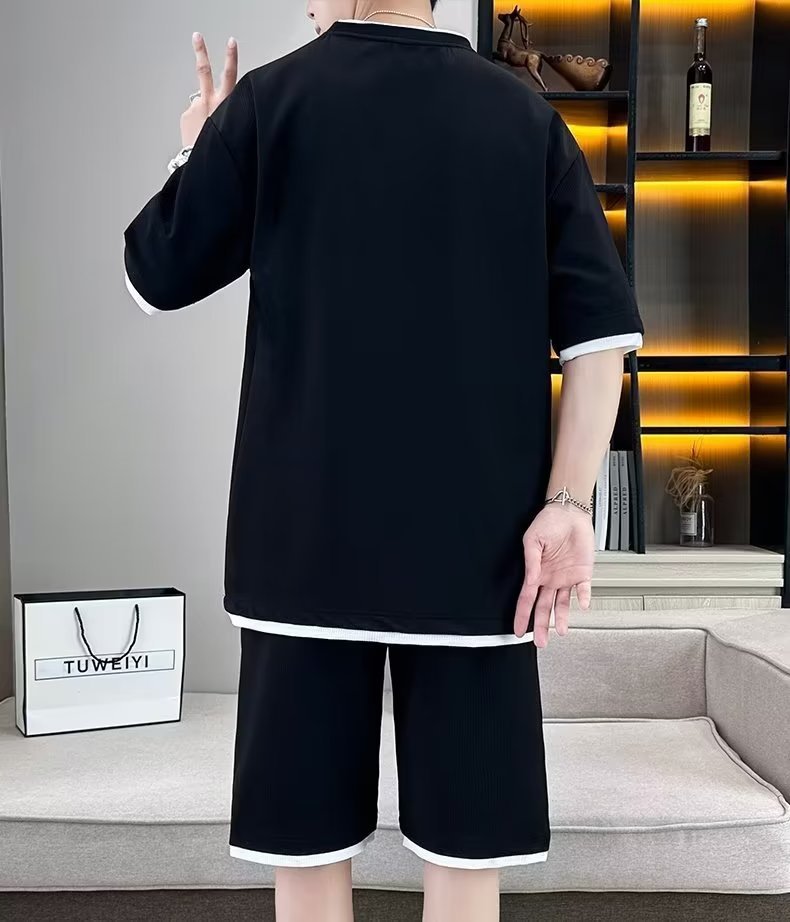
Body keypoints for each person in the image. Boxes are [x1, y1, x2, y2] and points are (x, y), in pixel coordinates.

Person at [123, 2, 645, 919]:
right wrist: (568, 504)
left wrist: (201, 149)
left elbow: (157, 273)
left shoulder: (272, 104)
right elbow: (599, 340)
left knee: (307, 854)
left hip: (302, 557)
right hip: (482, 563)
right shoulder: (527, 119)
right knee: (468, 861)